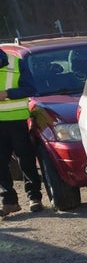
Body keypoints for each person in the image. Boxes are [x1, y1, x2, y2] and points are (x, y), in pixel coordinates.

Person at [0, 47, 43, 217]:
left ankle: (35, 198)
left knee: (26, 160)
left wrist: (7, 94)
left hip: (17, 121)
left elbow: (30, 88)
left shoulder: (16, 62)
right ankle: (9, 202)